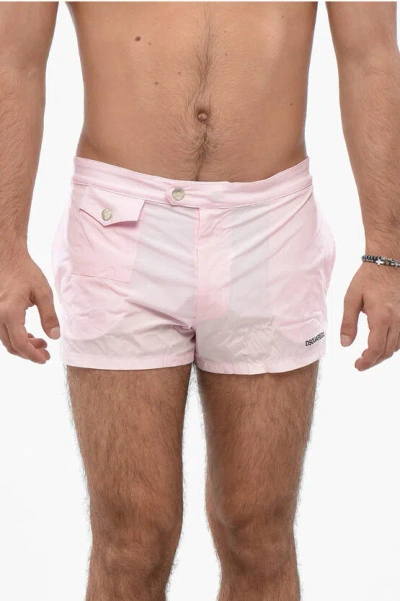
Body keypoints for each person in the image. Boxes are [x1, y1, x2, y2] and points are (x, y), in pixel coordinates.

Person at [1, 2, 399, 599]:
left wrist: (387, 252)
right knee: (131, 542)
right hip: (118, 222)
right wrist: (5, 245)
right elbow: (13, 59)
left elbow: (372, 55)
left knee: (259, 534)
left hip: (271, 222)